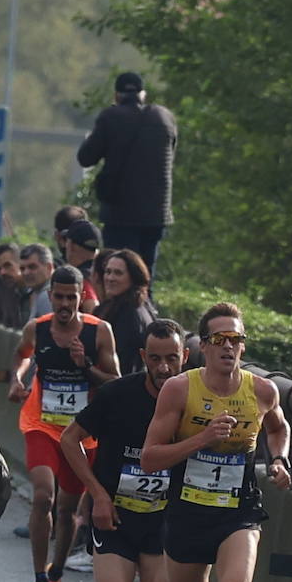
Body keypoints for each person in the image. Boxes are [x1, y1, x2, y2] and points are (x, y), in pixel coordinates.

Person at [140, 302, 292, 582]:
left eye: (236, 339)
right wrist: (202, 439)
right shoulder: (179, 390)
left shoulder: (261, 391)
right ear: (202, 346)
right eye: (220, 339)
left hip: (237, 513)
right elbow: (150, 457)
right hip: (188, 513)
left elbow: (279, 428)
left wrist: (279, 460)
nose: (229, 347)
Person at [59, 319, 188, 582]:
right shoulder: (118, 395)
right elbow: (70, 439)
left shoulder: (193, 401)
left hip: (164, 524)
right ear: (143, 357)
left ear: (185, 358)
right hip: (115, 519)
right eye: (156, 359)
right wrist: (96, 494)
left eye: (172, 359)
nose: (164, 368)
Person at [7, 265, 120, 582]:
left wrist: (84, 365)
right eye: (59, 297)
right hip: (41, 423)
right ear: (50, 296)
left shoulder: (99, 332)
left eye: (72, 297)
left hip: (81, 432)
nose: (65, 304)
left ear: (82, 297)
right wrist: (17, 379)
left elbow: (114, 381)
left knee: (68, 510)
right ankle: (39, 580)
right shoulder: (37, 328)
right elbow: (22, 354)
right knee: (44, 496)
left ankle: (55, 573)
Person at [77, 72, 177, 279]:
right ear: (143, 94)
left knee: (117, 274)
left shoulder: (110, 117)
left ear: (116, 95)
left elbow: (86, 158)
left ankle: (124, 302)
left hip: (120, 213)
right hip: (156, 212)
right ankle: (146, 300)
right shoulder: (165, 117)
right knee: (145, 275)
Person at [94, 248, 158, 375]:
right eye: (108, 272)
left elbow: (125, 365)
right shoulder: (115, 305)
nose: (110, 278)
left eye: (118, 273)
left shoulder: (130, 313)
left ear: (133, 277)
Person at [60, 220, 102, 313]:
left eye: (67, 241)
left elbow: (92, 307)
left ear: (71, 246)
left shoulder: (81, 279)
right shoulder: (105, 273)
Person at [19, 243, 55, 321]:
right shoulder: (33, 293)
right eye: (22, 269)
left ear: (49, 267)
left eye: (32, 267)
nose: (26, 273)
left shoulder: (49, 295)